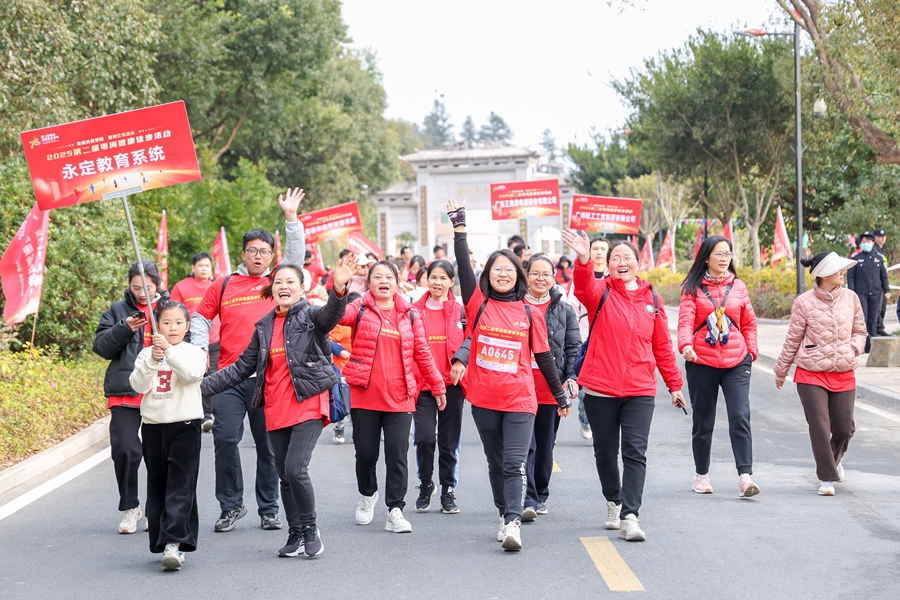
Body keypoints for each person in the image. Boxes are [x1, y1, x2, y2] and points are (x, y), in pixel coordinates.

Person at [202, 259, 353, 558]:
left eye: (290, 282)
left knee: (296, 469)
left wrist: (338, 288)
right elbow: (240, 369)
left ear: (301, 287)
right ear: (271, 289)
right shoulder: (264, 327)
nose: (284, 286)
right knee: (284, 473)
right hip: (276, 406)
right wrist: (199, 388)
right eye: (279, 282)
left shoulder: (311, 316)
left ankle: (310, 529)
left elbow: (332, 315)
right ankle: (294, 532)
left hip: (308, 401)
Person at [449, 199, 571, 552]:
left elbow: (545, 358)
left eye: (509, 269)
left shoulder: (528, 313)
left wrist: (560, 396)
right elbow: (462, 265)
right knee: (496, 462)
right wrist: (460, 228)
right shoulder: (478, 304)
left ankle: (514, 521)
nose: (502, 273)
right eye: (496, 269)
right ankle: (504, 514)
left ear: (519, 275)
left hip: (520, 400)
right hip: (484, 400)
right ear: (488, 275)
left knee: (516, 462)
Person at [190, 188, 306, 533]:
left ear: (272, 255)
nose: (259, 256)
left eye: (265, 251)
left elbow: (296, 262)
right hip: (228, 376)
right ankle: (230, 505)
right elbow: (199, 318)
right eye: (253, 250)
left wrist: (291, 219)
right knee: (225, 440)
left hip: (270, 377)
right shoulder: (223, 284)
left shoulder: (277, 283)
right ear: (243, 253)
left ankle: (269, 508)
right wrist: (199, 350)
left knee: (269, 446)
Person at [561, 229, 684, 542]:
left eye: (628, 257)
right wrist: (586, 257)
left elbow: (662, 347)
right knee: (605, 453)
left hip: (639, 389)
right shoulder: (600, 292)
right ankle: (614, 501)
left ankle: (631, 515)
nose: (622, 262)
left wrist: (674, 385)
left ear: (638, 263)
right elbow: (584, 284)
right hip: (601, 389)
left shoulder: (653, 299)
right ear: (610, 265)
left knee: (634, 451)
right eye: (616, 258)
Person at [338, 260, 446, 534]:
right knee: (365, 454)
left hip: (400, 397)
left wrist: (437, 386)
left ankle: (395, 509)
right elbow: (334, 317)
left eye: (389, 276)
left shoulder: (410, 314)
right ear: (369, 283)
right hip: (364, 396)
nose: (383, 280)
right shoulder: (358, 308)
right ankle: (368, 493)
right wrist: (339, 287)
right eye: (377, 277)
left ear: (397, 282)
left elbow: (422, 353)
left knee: (397, 454)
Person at [774, 252, 867, 496]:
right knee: (819, 426)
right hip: (811, 374)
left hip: (843, 371)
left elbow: (861, 332)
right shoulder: (804, 302)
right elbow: (793, 339)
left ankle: (833, 462)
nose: (843, 273)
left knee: (845, 429)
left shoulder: (851, 298)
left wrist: (852, 348)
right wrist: (781, 370)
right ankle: (826, 477)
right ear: (824, 274)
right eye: (838, 269)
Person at [678, 236, 760, 497]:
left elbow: (749, 322)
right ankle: (701, 476)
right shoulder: (693, 288)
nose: (725, 259)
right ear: (706, 258)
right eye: (719, 254)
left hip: (737, 361)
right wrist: (685, 346)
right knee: (704, 421)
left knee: (740, 416)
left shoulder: (738, 287)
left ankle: (745, 478)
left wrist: (751, 351)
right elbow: (685, 322)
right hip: (701, 361)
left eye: (728, 254)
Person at [129, 300, 206, 571]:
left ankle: (175, 543)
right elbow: (137, 384)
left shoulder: (194, 352)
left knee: (181, 484)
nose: (173, 327)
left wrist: (169, 353)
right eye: (166, 322)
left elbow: (191, 375)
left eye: (178, 323)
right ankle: (162, 540)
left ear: (187, 326)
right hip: (153, 426)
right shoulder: (147, 354)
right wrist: (153, 359)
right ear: (156, 325)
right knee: (158, 484)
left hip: (185, 425)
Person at [93, 260, 167, 534]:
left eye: (146, 288)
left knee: (158, 454)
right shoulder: (118, 310)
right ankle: (130, 508)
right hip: (125, 391)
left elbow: (185, 340)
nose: (141, 293)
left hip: (160, 391)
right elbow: (101, 347)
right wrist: (124, 328)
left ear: (157, 285)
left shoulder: (168, 309)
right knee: (126, 449)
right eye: (136, 287)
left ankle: (155, 509)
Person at [521, 254, 579, 519]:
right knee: (526, 446)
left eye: (545, 274)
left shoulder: (564, 310)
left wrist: (571, 378)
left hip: (550, 389)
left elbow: (573, 348)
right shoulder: (515, 305)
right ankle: (528, 498)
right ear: (526, 276)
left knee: (545, 446)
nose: (540, 278)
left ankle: (540, 491)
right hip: (520, 389)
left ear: (553, 277)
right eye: (535, 273)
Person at [410, 260, 467, 515]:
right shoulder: (412, 311)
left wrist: (460, 362)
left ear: (451, 281)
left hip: (452, 385)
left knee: (448, 441)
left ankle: (447, 489)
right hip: (423, 386)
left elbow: (471, 341)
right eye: (433, 277)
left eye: (443, 278)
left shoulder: (461, 312)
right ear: (425, 279)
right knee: (423, 438)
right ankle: (425, 484)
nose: (437, 282)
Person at [170, 252, 219, 432]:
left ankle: (208, 414)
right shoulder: (182, 287)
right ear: (193, 268)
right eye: (200, 265)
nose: (204, 268)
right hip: (188, 340)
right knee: (190, 376)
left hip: (214, 339)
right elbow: (172, 313)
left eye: (207, 265)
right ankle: (188, 414)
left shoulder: (217, 285)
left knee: (211, 376)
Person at [569, 236, 609, 441]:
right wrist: (575, 339)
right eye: (596, 248)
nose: (600, 252)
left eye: (604, 249)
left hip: (609, 341)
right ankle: (585, 419)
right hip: (586, 339)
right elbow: (572, 311)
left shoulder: (617, 277)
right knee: (585, 390)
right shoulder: (581, 277)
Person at [847, 231, 889, 353]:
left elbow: (883, 276)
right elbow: (851, 277)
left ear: (873, 243)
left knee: (873, 318)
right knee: (863, 318)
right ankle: (864, 344)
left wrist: (886, 290)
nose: (867, 244)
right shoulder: (855, 259)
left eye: (869, 242)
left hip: (876, 292)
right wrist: (851, 292)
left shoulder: (878, 258)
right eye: (864, 242)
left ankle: (872, 344)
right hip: (861, 293)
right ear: (860, 244)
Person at [873, 228, 889, 336]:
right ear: (875, 237)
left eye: (884, 236)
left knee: (883, 307)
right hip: (876, 282)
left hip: (883, 280)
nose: (883, 238)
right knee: (877, 308)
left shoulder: (883, 250)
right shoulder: (873, 250)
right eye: (880, 236)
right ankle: (877, 328)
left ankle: (880, 326)